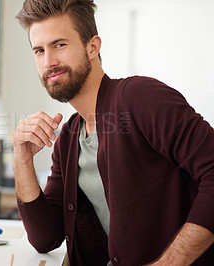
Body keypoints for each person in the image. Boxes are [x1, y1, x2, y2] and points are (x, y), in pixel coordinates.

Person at [12, 0, 214, 265]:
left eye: (59, 44)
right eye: (39, 50)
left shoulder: (140, 98)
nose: (49, 61)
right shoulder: (70, 136)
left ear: (92, 46)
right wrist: (22, 160)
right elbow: (46, 237)